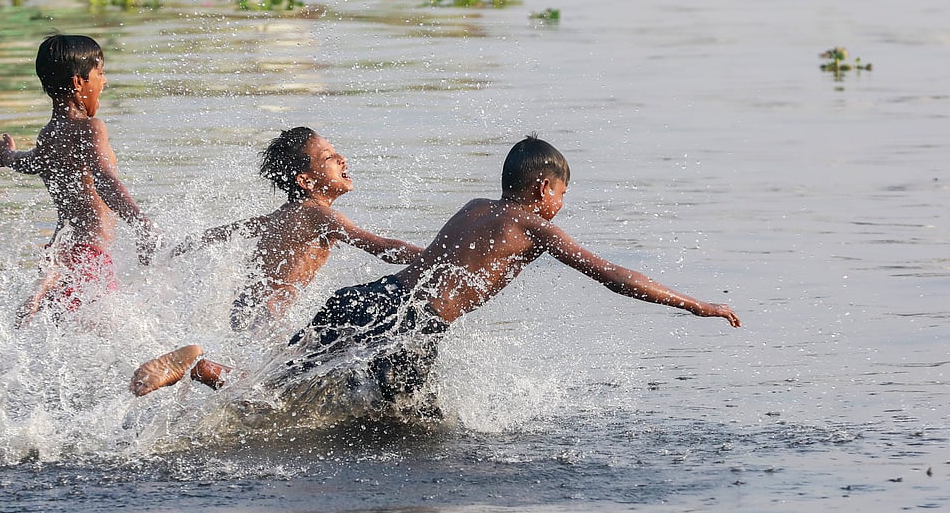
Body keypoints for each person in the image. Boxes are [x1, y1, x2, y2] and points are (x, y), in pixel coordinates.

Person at [130, 135, 740, 400]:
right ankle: (205, 367)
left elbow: (427, 260)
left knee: (278, 388)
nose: (562, 204)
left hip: (370, 298)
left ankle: (204, 366)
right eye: (562, 192)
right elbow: (611, 273)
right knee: (411, 430)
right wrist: (694, 304)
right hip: (410, 325)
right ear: (546, 187)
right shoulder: (535, 226)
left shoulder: (477, 206)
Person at [171, 127, 423, 332]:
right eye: (328, 157)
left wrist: (175, 248)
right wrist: (437, 256)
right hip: (266, 315)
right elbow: (381, 247)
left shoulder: (285, 213)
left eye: (335, 153)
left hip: (246, 308)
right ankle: (197, 364)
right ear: (306, 181)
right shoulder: (318, 214)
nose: (341, 159)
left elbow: (229, 231)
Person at [0, 33, 160, 326]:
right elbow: (105, 181)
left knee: (63, 336)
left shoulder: (49, 135)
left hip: (62, 254)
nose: (104, 82)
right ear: (78, 83)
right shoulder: (91, 128)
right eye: (100, 73)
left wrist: (9, 158)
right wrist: (140, 222)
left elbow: (33, 163)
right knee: (104, 337)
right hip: (89, 257)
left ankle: (40, 292)